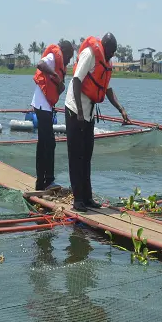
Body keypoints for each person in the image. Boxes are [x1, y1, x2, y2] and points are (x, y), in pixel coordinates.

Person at [65, 32, 130, 211]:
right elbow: (77, 80)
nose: (113, 54)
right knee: (76, 156)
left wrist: (121, 109)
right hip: (75, 110)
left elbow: (107, 89)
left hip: (89, 113)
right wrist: (78, 110)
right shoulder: (90, 54)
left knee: (86, 156)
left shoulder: (105, 62)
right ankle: (78, 200)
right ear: (105, 45)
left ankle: (87, 197)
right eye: (112, 51)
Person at [31, 40, 75, 191]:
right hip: (41, 104)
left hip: (45, 105)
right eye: (69, 56)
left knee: (44, 143)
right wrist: (54, 73)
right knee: (49, 143)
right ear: (65, 52)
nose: (69, 60)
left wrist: (59, 85)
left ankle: (41, 182)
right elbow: (40, 64)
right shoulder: (53, 57)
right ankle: (47, 181)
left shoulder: (60, 64)